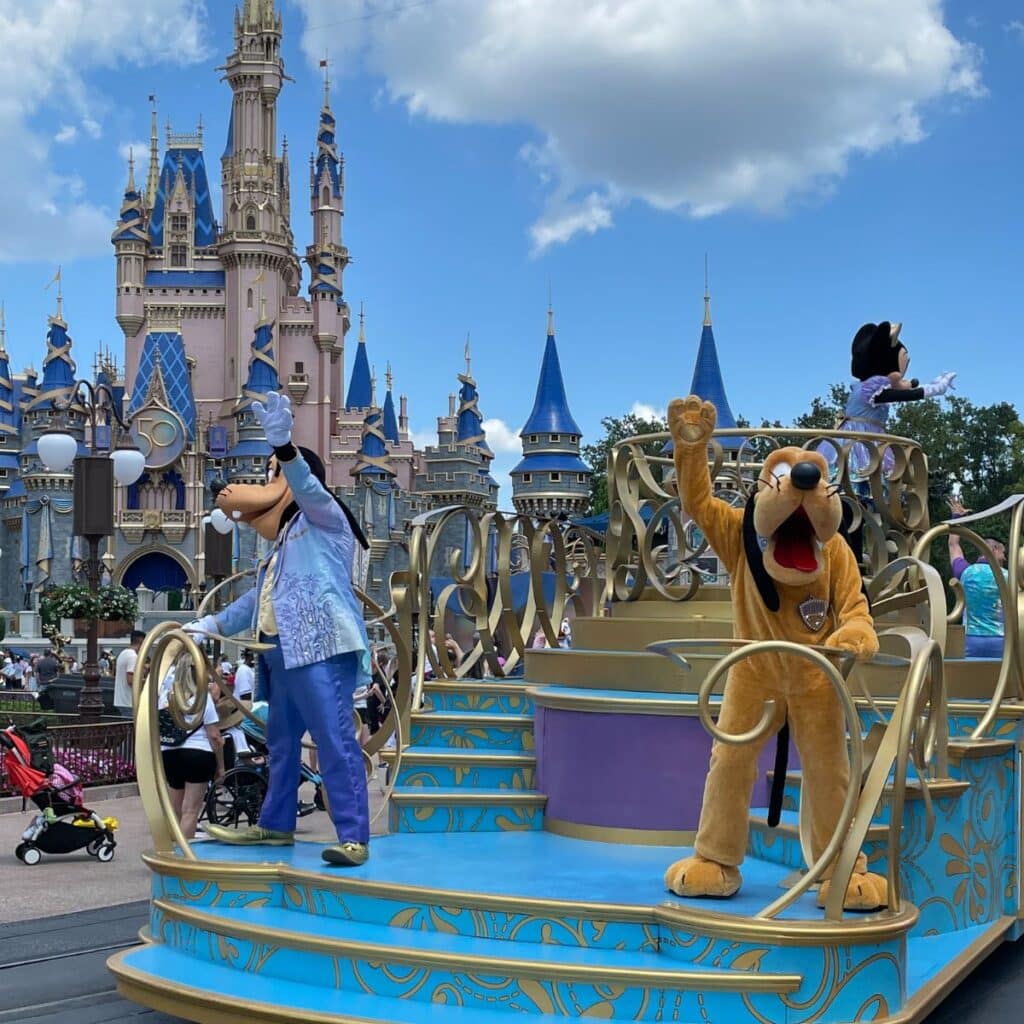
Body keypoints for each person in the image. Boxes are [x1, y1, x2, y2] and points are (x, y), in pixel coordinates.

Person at [188, 391, 372, 867]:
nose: (269, 481)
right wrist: (210, 624)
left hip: (320, 647)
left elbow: (308, 488)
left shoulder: (327, 520)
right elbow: (257, 600)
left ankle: (353, 834)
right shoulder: (283, 543)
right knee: (283, 744)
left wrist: (285, 449)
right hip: (279, 652)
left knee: (333, 738)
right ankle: (275, 825)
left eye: (274, 474)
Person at [159, 671, 224, 840]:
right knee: (190, 810)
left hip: (170, 753)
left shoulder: (165, 698)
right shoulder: (202, 698)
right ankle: (185, 855)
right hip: (198, 753)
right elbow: (214, 735)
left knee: (175, 810)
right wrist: (221, 766)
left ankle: (172, 852)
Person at [947, 498, 1008, 659]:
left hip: (969, 640)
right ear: (994, 549)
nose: (1005, 557)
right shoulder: (1010, 577)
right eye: (1004, 552)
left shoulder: (966, 572)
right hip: (1002, 642)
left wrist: (956, 518)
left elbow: (953, 545)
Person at [114, 631, 146, 720]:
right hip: (129, 701)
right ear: (141, 642)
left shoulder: (123, 653)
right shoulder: (133, 657)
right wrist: (147, 682)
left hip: (121, 700)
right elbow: (131, 680)